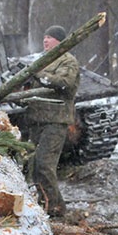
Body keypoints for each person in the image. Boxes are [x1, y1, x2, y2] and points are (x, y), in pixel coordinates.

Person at [24, 25, 80, 217]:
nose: (45, 40)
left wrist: (38, 75)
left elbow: (64, 84)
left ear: (60, 40)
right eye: (44, 37)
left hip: (55, 121)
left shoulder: (67, 61)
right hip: (38, 120)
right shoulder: (45, 60)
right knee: (33, 166)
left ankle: (56, 209)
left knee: (44, 165)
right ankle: (45, 203)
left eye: (49, 37)